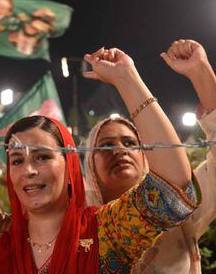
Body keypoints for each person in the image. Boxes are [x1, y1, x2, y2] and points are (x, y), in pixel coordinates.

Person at [0, 46, 200, 273]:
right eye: (17, 161)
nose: (29, 170)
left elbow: (172, 189)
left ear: (69, 165)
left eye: (42, 156)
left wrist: (127, 78)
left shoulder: (106, 231)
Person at [84, 39, 216, 273]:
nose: (120, 150)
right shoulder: (79, 228)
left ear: (146, 155)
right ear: (89, 166)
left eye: (129, 143)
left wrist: (201, 72)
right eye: (105, 145)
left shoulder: (182, 201)